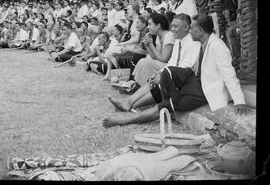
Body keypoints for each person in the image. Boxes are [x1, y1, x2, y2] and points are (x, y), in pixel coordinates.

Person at [102, 14, 249, 128]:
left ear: (200, 30)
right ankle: (135, 102)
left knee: (165, 97)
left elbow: (229, 75)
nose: (190, 31)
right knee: (166, 74)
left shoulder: (218, 46)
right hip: (194, 81)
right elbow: (176, 65)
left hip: (203, 90)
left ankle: (123, 122)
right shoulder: (204, 42)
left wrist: (239, 101)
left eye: (192, 28)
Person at [132, 13, 175, 86]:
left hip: (170, 66)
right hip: (162, 63)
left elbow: (164, 59)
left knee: (144, 62)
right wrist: (147, 45)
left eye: (150, 24)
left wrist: (151, 44)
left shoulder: (169, 35)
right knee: (144, 61)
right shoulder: (158, 36)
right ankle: (137, 83)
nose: (148, 27)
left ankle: (138, 85)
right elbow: (154, 57)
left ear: (158, 25)